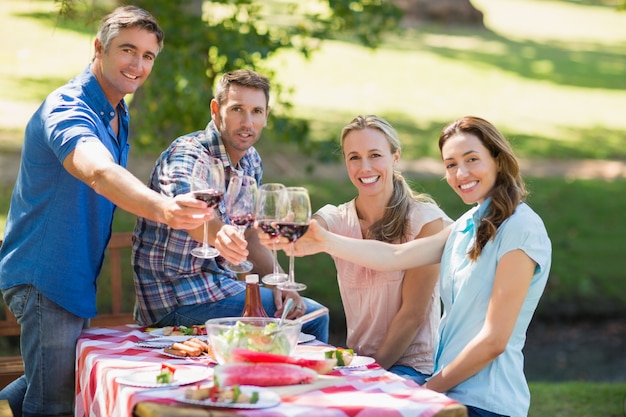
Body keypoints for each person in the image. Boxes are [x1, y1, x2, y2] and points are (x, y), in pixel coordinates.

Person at [0, 6, 215, 417]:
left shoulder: (117, 110)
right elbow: (98, 171)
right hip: (46, 278)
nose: (137, 64)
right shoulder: (67, 108)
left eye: (148, 56)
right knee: (54, 403)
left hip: (74, 280)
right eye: (127, 50)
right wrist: (166, 209)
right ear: (98, 48)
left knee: (54, 377)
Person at [262, 116, 552, 417]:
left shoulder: (520, 228)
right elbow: (396, 257)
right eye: (451, 164)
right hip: (451, 395)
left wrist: (425, 392)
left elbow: (493, 340)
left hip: (486, 402)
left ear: (498, 160)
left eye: (472, 159)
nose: (460, 173)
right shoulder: (468, 225)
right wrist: (323, 241)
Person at [131, 69, 329, 343]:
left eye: (256, 112)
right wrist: (219, 233)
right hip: (177, 299)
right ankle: (298, 382)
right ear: (216, 110)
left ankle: (270, 382)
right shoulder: (188, 154)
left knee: (302, 311)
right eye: (237, 109)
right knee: (312, 318)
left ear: (266, 115)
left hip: (221, 288)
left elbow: (250, 235)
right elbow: (191, 217)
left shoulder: (251, 161)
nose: (247, 122)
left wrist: (279, 281)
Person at [313, 115, 451, 384]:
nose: (365, 167)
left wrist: (367, 375)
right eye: (354, 157)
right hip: (359, 362)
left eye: (375, 155)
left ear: (395, 157)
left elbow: (413, 315)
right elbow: (306, 230)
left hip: (413, 368)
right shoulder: (339, 218)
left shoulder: (425, 221)